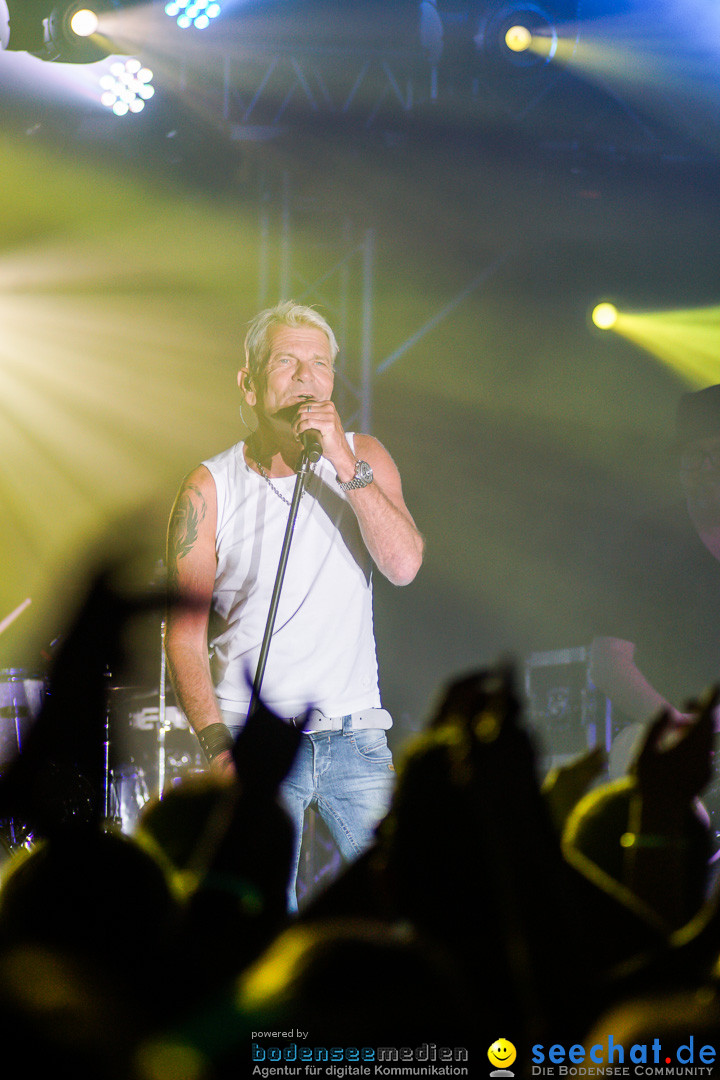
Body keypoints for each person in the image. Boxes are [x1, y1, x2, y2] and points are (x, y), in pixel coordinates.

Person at [164, 300, 424, 908]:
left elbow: (404, 566)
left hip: (354, 734)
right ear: (249, 384)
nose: (307, 378)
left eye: (320, 364)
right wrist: (215, 745)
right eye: (287, 362)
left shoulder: (363, 457)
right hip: (250, 739)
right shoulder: (210, 486)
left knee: (409, 903)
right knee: (253, 918)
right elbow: (184, 631)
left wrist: (344, 463)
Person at [590, 384, 720, 772]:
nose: (708, 470)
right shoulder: (648, 542)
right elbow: (607, 663)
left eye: (719, 455)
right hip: (670, 735)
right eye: (696, 458)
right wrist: (679, 725)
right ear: (679, 466)